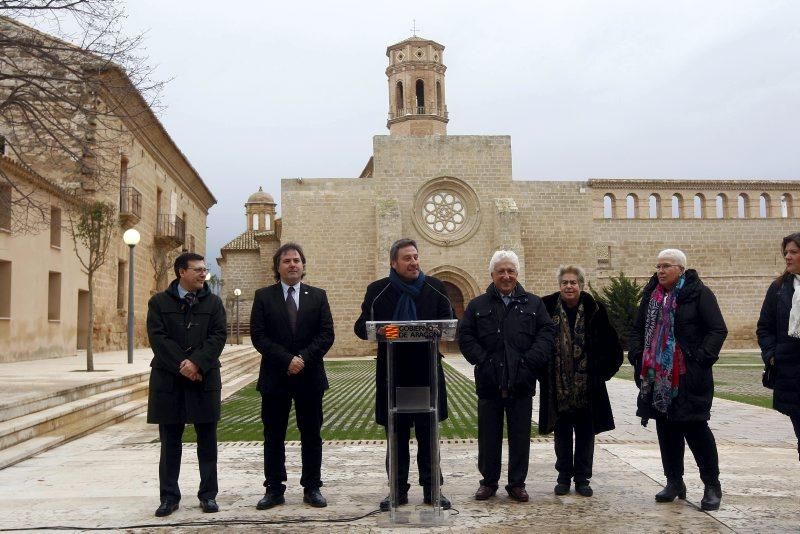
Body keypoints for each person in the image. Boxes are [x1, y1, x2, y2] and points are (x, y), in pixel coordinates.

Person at [354, 238, 452, 511]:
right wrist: (384, 332)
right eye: (407, 258)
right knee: (395, 437)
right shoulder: (378, 291)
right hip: (393, 375)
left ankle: (433, 490)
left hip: (427, 374)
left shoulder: (436, 288)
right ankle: (397, 491)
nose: (413, 262)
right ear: (393, 263)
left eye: (416, 257)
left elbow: (450, 323)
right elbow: (362, 327)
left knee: (428, 436)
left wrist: (436, 332)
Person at [628, 249, 727, 511]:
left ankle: (711, 485)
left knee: (696, 429)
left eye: (666, 266)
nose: (660, 271)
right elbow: (638, 330)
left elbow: (717, 328)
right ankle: (674, 481)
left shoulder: (699, 294)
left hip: (689, 376)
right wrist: (638, 356)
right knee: (667, 429)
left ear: (681, 269)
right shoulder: (651, 296)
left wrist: (701, 358)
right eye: (658, 266)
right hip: (658, 377)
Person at [458, 250, 556, 503]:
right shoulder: (477, 305)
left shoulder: (534, 304)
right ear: (492, 274)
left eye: (510, 271)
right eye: (501, 271)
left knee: (521, 435)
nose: (506, 275)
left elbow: (546, 334)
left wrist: (529, 362)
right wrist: (483, 361)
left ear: (517, 274)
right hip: (490, 380)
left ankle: (517, 484)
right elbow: (466, 336)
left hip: (521, 380)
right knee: (488, 435)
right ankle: (488, 482)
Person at [250, 243, 335, 509]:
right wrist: (287, 360)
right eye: (286, 261)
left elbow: (326, 334)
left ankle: (312, 487)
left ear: (303, 265)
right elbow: (259, 336)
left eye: (297, 260)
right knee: (273, 435)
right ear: (278, 267)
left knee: (311, 434)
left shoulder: (318, 296)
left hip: (309, 377)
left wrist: (303, 359)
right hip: (275, 376)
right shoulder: (263, 296)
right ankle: (274, 488)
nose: (292, 264)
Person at [146, 252, 227, 517]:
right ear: (182, 271)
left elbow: (218, 336)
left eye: (205, 269)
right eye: (198, 269)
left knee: (208, 441)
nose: (204, 273)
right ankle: (169, 497)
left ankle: (208, 495)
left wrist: (197, 363)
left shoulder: (214, 303)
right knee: (170, 442)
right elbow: (158, 338)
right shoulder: (158, 303)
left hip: (204, 379)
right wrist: (183, 364)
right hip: (169, 380)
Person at [539, 265, 623, 497]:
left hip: (588, 387)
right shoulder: (546, 308)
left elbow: (613, 348)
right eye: (565, 282)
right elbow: (538, 343)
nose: (569, 286)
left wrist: (600, 375)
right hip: (558, 385)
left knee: (586, 434)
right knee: (562, 432)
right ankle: (563, 477)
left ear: (581, 285)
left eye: (573, 282)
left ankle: (583, 479)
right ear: (559, 285)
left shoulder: (596, 309)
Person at [757, 232, 800, 462]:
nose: (787, 257)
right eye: (786, 252)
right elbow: (764, 327)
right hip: (791, 373)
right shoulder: (779, 288)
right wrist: (772, 355)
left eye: (793, 252)